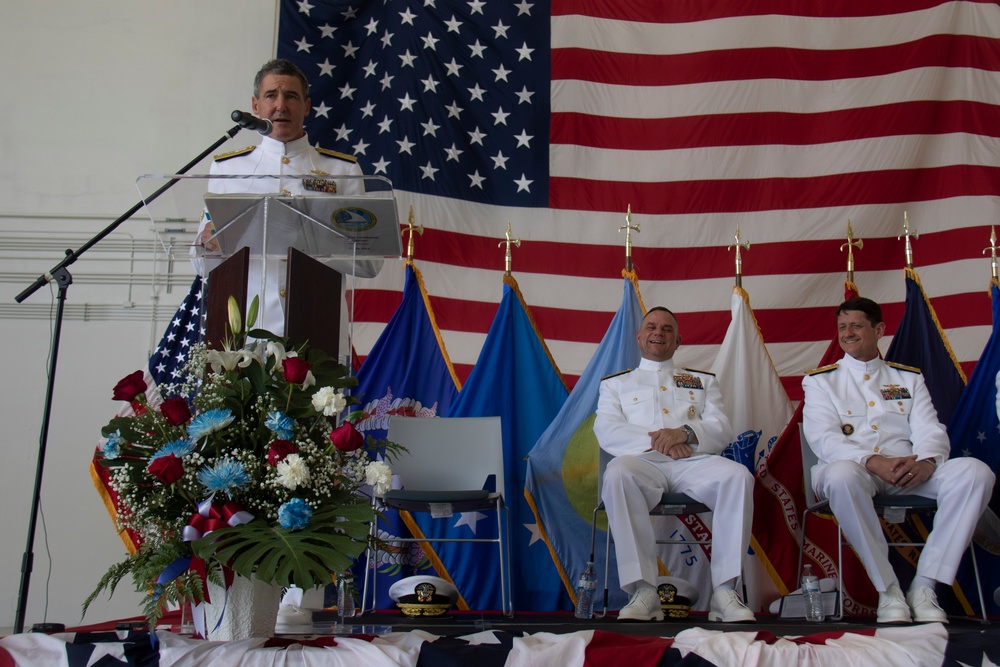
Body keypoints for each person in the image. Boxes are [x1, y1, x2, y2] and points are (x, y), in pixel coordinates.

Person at [802, 296, 994, 623]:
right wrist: (871, 461)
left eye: (856, 326)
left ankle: (925, 586)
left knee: (976, 473)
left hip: (908, 470)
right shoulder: (821, 381)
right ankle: (888, 589)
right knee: (843, 475)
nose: (847, 333)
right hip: (854, 471)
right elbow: (824, 439)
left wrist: (928, 462)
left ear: (878, 330)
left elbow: (929, 428)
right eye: (842, 327)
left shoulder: (908, 379)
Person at [192, 58, 381, 333]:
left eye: (291, 96)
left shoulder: (343, 170)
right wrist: (206, 242)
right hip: (246, 327)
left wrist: (308, 240)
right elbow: (201, 263)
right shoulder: (228, 168)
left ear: (306, 106)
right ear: (256, 106)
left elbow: (369, 263)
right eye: (271, 95)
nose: (280, 105)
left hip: (317, 322)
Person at [593, 307, 756, 623]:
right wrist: (664, 441)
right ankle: (643, 591)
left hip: (692, 462)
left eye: (667, 329)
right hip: (642, 462)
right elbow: (607, 430)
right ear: (640, 337)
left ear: (678, 340)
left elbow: (721, 426)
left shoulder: (702, 381)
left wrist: (685, 433)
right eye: (651, 327)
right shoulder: (616, 384)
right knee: (616, 474)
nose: (658, 333)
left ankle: (724, 591)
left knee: (738, 476)